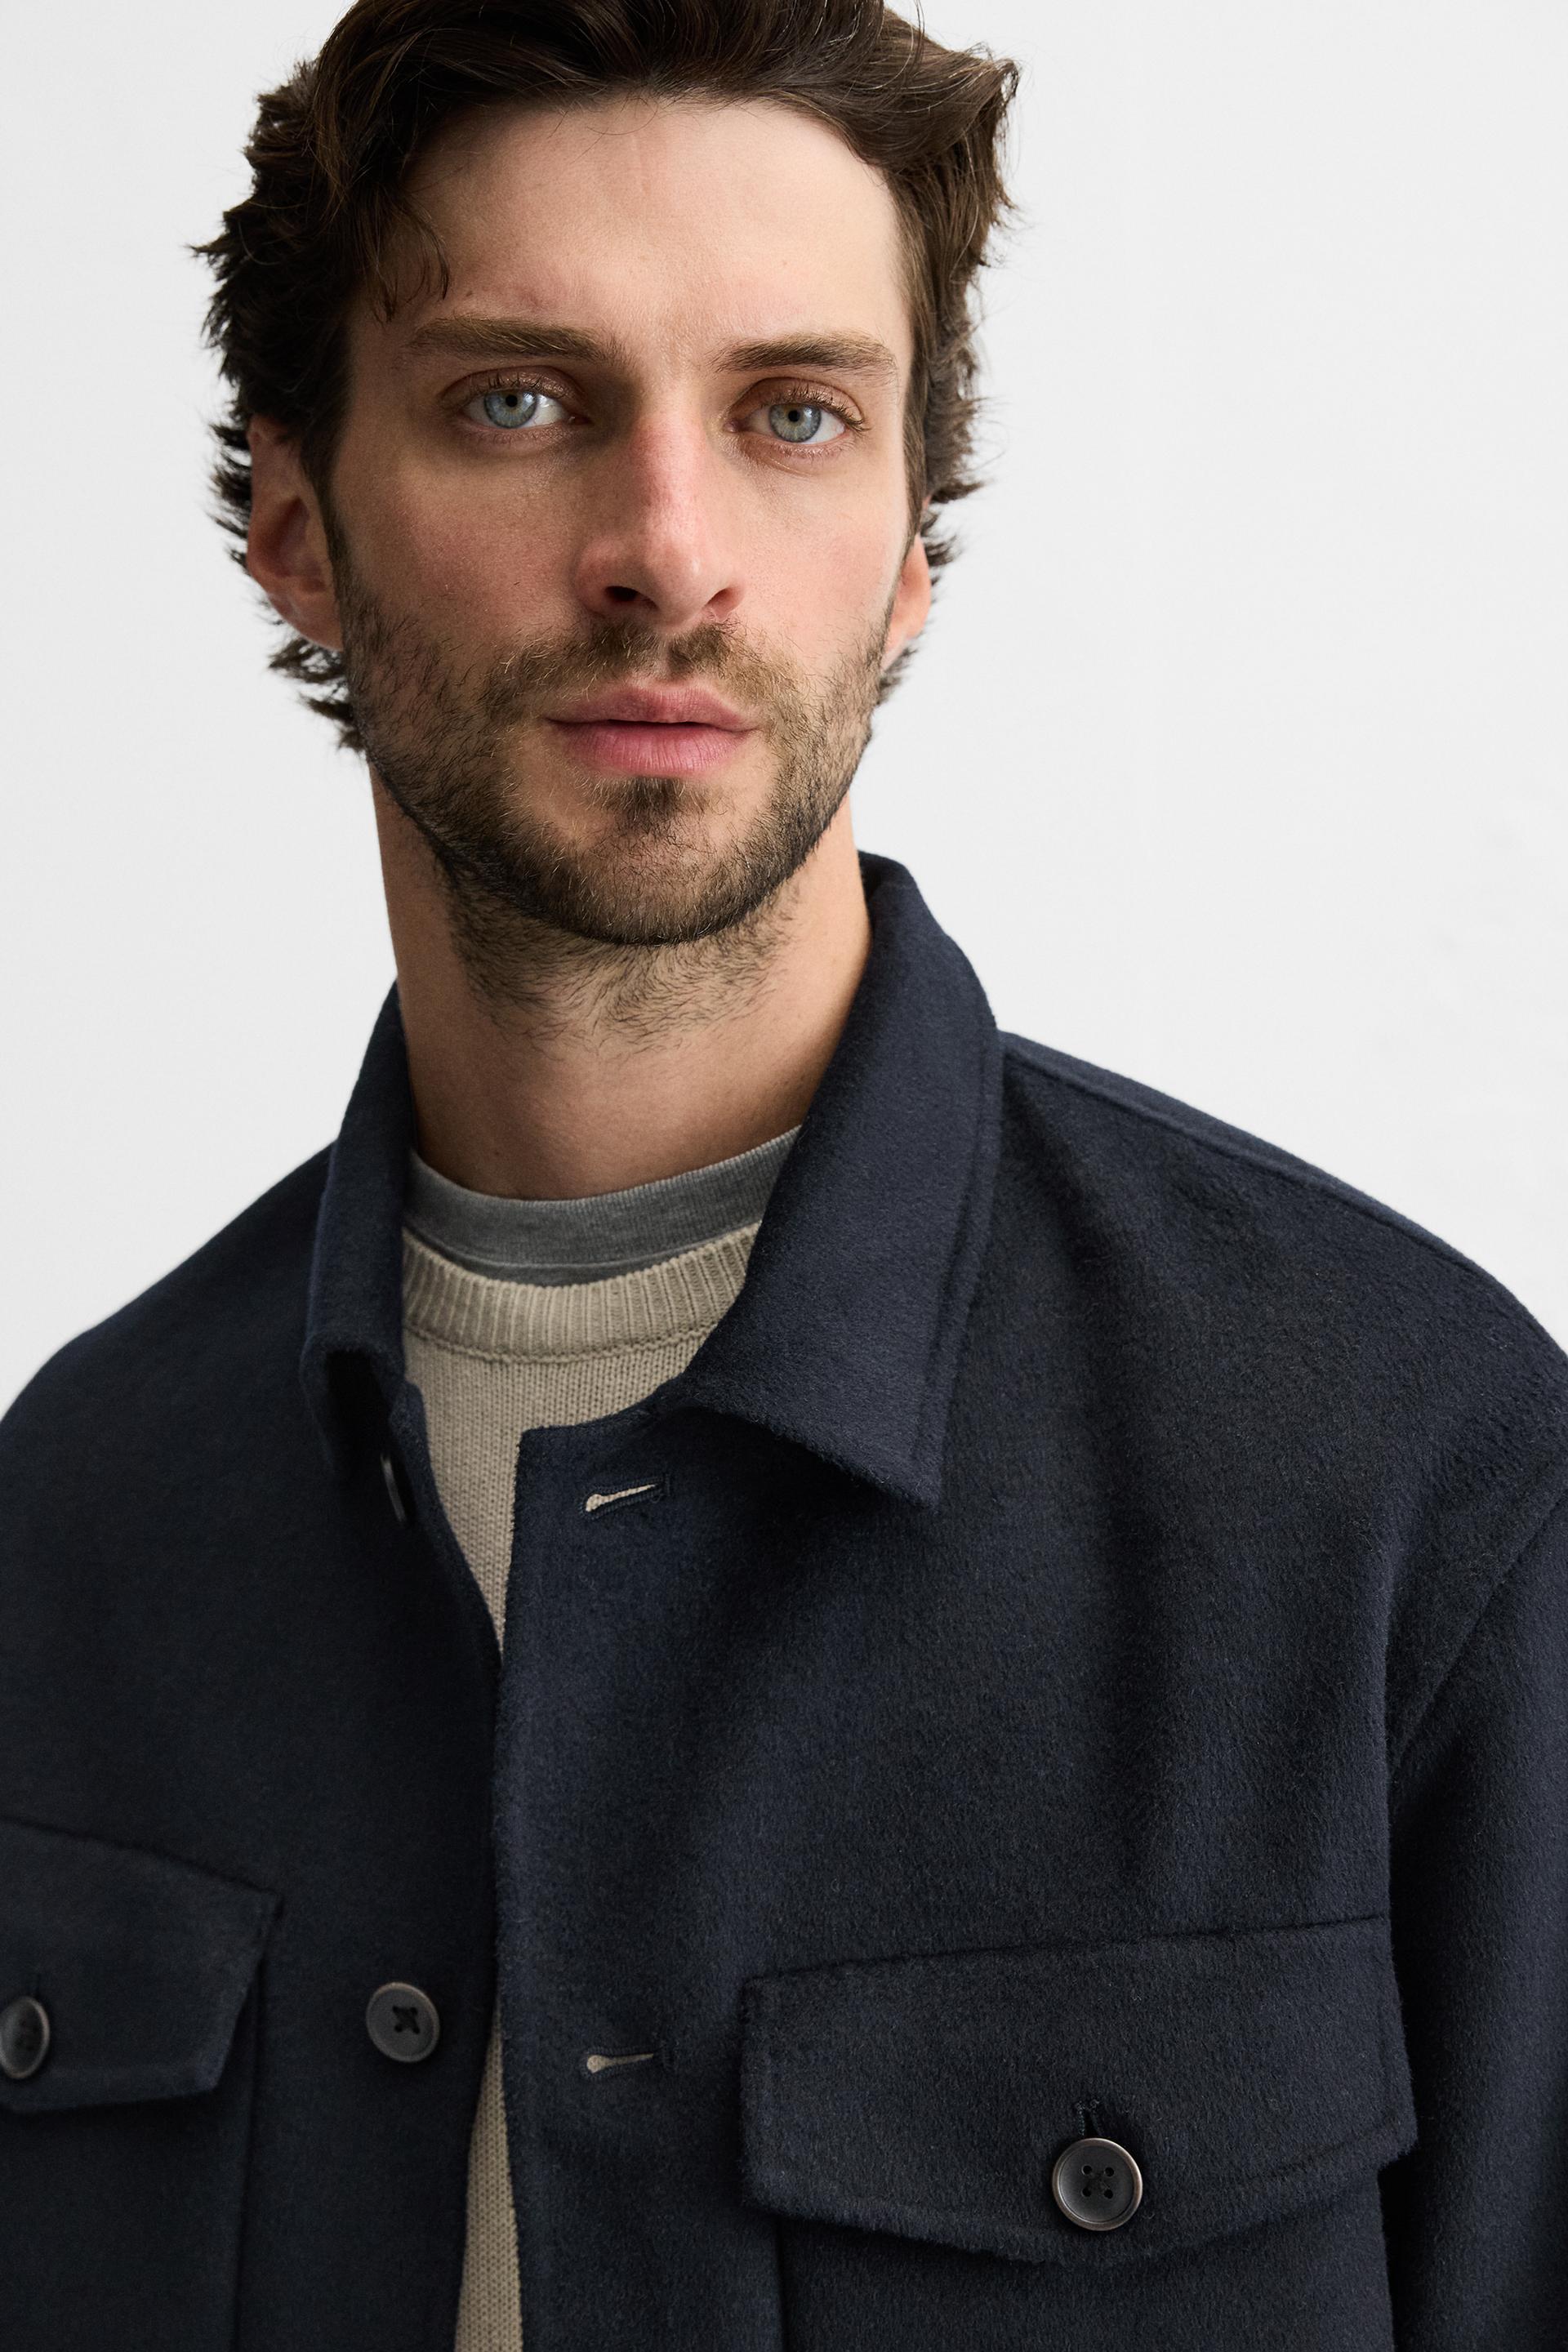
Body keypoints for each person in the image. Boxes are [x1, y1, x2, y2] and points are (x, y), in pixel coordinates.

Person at [1, 2, 1563, 2345]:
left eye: (793, 414)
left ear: (912, 549)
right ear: (297, 529)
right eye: (518, 401)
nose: (668, 550)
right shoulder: (69, 1526)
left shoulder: (1410, 1480)